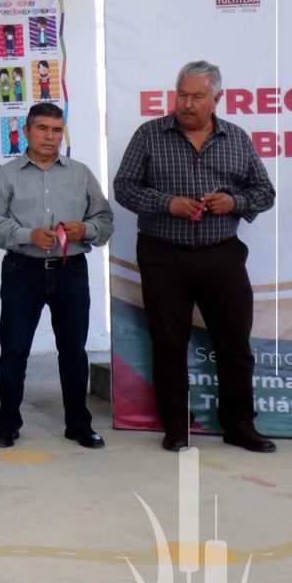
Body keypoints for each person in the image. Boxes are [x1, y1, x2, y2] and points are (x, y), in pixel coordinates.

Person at [113, 60, 277, 453]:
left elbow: (265, 193)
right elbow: (123, 187)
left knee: (234, 343)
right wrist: (166, 203)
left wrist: (233, 202)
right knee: (169, 343)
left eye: (197, 96)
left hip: (222, 255)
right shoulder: (149, 134)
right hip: (163, 255)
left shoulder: (237, 138)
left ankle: (239, 424)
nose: (186, 104)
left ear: (217, 98)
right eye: (181, 94)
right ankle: (176, 427)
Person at [0, 103, 113, 450]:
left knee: (73, 351)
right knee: (14, 351)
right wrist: (28, 235)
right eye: (42, 129)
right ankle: (8, 424)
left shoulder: (80, 173)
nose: (50, 137)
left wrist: (86, 228)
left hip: (70, 271)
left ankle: (79, 424)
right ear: (26, 131)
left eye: (57, 130)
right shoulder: (6, 175)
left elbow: (105, 220)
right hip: (22, 271)